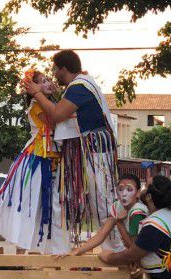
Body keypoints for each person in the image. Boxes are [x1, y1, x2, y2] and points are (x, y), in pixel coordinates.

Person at [22, 49, 119, 249]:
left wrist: (37, 93)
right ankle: (103, 248)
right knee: (77, 200)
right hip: (89, 152)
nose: (54, 76)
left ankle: (116, 249)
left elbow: (57, 114)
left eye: (55, 71)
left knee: (102, 202)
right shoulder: (82, 83)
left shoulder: (79, 87)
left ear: (64, 69)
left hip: (96, 152)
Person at [0, 69, 68, 254]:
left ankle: (32, 256)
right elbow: (55, 120)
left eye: (47, 80)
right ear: (33, 88)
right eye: (42, 81)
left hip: (49, 161)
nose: (47, 83)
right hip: (35, 161)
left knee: (39, 209)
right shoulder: (37, 104)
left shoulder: (49, 102)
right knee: (26, 208)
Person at [66, 174, 147, 256]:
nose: (124, 194)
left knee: (106, 256)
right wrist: (78, 251)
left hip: (145, 257)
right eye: (120, 189)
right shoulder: (117, 206)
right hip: (132, 252)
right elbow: (101, 234)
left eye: (129, 189)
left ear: (138, 193)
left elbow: (134, 248)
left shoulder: (137, 212)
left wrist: (119, 222)